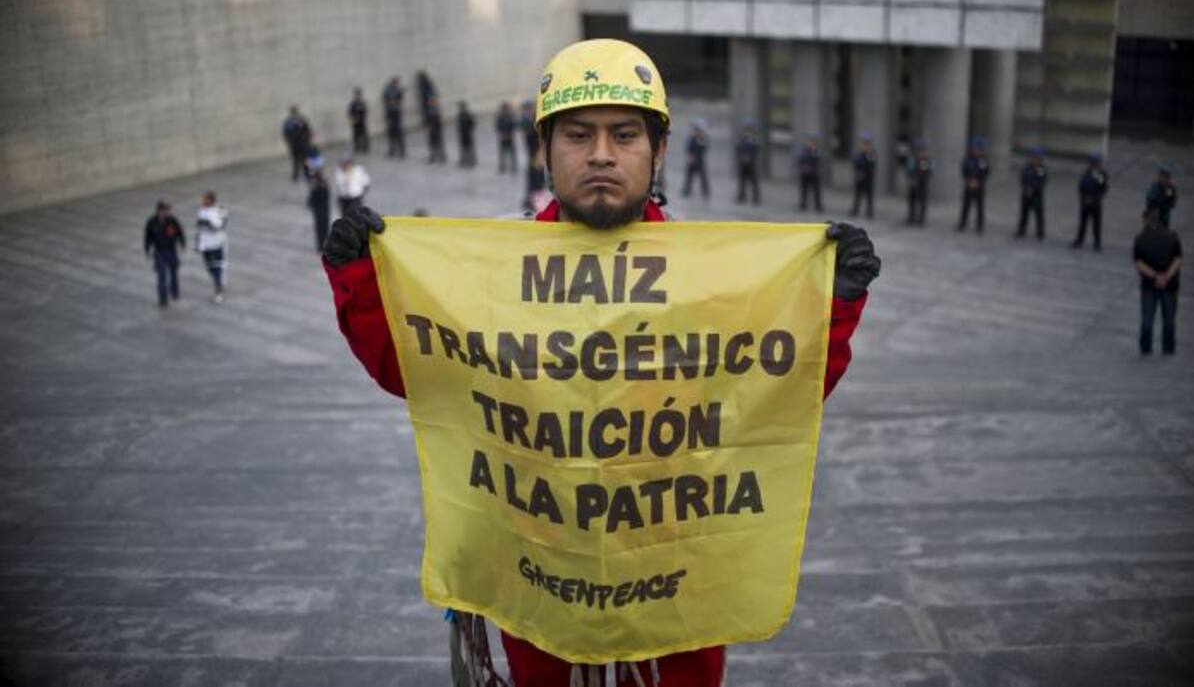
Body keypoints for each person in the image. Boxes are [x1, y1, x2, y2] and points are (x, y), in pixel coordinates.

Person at [319, 38, 881, 687]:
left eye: (625, 134)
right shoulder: (495, 277)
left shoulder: (714, 279)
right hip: (539, 574)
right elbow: (414, 367)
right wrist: (360, 279)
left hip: (677, 575)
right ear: (544, 148)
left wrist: (829, 306)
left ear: (659, 150)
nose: (602, 155)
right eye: (578, 135)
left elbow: (774, 389)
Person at [1133, 208, 1182, 355]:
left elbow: (1138, 262)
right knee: (1169, 319)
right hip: (1170, 285)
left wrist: (1155, 276)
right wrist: (1166, 276)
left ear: (1146, 220)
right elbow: (1178, 259)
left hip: (1149, 285)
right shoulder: (1173, 236)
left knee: (1147, 319)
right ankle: (1168, 348)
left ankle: (1146, 347)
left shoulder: (1140, 238)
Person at [144, 200, 185, 308]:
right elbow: (147, 237)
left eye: (168, 210)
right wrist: (147, 250)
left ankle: (174, 292)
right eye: (165, 210)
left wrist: (182, 243)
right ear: (159, 210)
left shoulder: (172, 220)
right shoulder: (151, 222)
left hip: (171, 250)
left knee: (173, 272)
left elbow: (180, 232)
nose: (167, 212)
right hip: (159, 252)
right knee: (161, 275)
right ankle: (163, 298)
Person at [195, 191, 228, 303]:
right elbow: (199, 228)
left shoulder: (220, 209)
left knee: (216, 266)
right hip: (206, 244)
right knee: (209, 267)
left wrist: (207, 223)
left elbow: (220, 225)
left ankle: (218, 289)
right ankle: (218, 281)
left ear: (211, 200)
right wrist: (198, 242)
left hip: (217, 243)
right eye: (203, 199)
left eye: (205, 199)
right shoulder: (201, 210)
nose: (203, 201)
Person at [1072, 152, 1108, 251]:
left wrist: (1095, 197)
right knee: (1083, 222)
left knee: (1096, 223)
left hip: (1096, 203)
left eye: (1096, 162)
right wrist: (1084, 197)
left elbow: (1103, 188)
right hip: (1085, 201)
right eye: (1093, 162)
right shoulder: (1086, 173)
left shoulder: (1102, 174)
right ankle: (1079, 240)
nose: (1094, 164)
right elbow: (1081, 187)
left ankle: (1097, 243)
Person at [957, 136, 989, 233]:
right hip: (969, 185)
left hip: (979, 186)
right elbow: (963, 170)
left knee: (980, 207)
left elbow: (985, 172)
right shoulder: (968, 159)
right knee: (966, 206)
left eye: (978, 149)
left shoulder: (983, 160)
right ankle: (962, 223)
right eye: (974, 149)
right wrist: (968, 180)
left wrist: (978, 181)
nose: (976, 151)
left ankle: (980, 226)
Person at [1014, 148, 1047, 241]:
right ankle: (1021, 230)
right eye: (1033, 158)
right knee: (1024, 213)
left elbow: (1042, 182)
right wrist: (1026, 188)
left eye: (1037, 158)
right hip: (1026, 194)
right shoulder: (1026, 168)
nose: (1035, 160)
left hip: (1037, 195)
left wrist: (1033, 189)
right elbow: (1022, 179)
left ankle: (1040, 232)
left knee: (1039, 214)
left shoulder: (1042, 169)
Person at [681, 119, 710, 199]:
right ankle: (686, 190)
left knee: (703, 177)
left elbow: (704, 148)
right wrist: (690, 156)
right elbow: (688, 147)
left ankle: (705, 191)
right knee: (689, 176)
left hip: (700, 160)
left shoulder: (703, 138)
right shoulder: (692, 138)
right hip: (692, 160)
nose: (698, 131)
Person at [906, 140, 932, 226]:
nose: (920, 152)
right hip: (913, 183)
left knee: (922, 201)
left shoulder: (926, 160)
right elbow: (909, 170)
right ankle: (911, 217)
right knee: (912, 200)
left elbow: (928, 172)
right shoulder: (912, 159)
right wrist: (911, 179)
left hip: (922, 184)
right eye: (918, 150)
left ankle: (921, 219)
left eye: (921, 150)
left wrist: (920, 178)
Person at [282, 106, 312, 182]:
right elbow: (285, 133)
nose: (294, 113)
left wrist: (307, 140)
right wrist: (288, 142)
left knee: (305, 160)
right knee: (295, 161)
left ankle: (307, 175)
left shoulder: (301, 120)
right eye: (293, 112)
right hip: (294, 144)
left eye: (295, 112)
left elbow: (307, 130)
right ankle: (295, 176)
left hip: (302, 143)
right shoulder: (288, 122)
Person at [850, 136, 877, 219]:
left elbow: (872, 165)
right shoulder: (859, 154)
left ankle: (869, 212)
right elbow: (855, 164)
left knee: (869, 196)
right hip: (860, 178)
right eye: (863, 144)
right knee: (858, 195)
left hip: (868, 178)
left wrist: (868, 155)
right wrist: (858, 173)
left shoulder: (872, 154)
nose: (864, 146)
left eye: (866, 144)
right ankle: (855, 210)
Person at [735, 122, 761, 205]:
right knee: (742, 180)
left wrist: (749, 157)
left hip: (751, 163)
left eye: (749, 128)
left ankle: (756, 197)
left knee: (754, 181)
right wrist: (742, 157)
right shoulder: (742, 138)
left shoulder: (754, 138)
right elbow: (738, 148)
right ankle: (741, 196)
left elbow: (756, 149)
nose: (747, 130)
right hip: (743, 162)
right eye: (746, 128)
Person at [1145, 164, 1178, 228]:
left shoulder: (1169, 188)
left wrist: (1166, 204)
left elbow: (1171, 201)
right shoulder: (1155, 187)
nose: (1164, 179)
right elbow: (1150, 200)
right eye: (1162, 176)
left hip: (1164, 215)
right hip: (1153, 215)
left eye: (1166, 177)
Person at [308, 168, 332, 253]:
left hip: (320, 210)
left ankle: (321, 246)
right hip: (322, 210)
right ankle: (322, 245)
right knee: (323, 228)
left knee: (321, 228)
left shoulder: (316, 186)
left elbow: (310, 201)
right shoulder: (320, 186)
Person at [383, 77, 406, 158]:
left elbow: (400, 99)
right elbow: (385, 99)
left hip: (395, 113)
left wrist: (396, 103)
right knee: (392, 133)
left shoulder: (397, 90)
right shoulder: (389, 90)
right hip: (391, 113)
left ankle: (401, 151)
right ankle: (394, 150)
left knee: (398, 133)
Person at [797, 137, 822, 212]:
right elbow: (801, 159)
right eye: (808, 143)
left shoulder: (816, 152)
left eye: (811, 144)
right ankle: (803, 204)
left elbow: (818, 159)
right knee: (804, 190)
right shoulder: (804, 151)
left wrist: (813, 153)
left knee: (816, 191)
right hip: (805, 174)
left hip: (814, 174)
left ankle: (818, 206)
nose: (809, 145)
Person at [496, 102, 518, 174]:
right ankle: (502, 166)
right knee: (503, 153)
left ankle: (513, 166)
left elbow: (514, 125)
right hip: (503, 138)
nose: (506, 110)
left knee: (512, 153)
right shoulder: (500, 117)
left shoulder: (510, 116)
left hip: (510, 137)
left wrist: (511, 133)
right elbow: (498, 127)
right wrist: (502, 134)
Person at [348, 88, 369, 154]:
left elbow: (365, 111)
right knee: (356, 135)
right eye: (357, 95)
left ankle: (365, 147)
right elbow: (350, 112)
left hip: (362, 121)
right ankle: (357, 147)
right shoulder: (353, 103)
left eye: (359, 95)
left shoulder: (362, 103)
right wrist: (353, 119)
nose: (358, 96)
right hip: (355, 121)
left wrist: (364, 118)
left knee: (364, 134)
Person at [427, 96, 446, 164]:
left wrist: (432, 127)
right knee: (433, 143)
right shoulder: (430, 109)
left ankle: (441, 156)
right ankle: (435, 156)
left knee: (438, 143)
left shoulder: (436, 110)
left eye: (431, 101)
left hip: (436, 129)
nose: (429, 103)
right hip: (433, 129)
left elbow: (439, 121)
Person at [457, 102, 477, 168]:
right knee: (464, 148)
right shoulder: (460, 115)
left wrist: (470, 130)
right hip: (463, 134)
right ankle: (464, 160)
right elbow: (459, 125)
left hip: (467, 133)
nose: (461, 108)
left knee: (469, 147)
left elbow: (472, 123)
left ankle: (471, 160)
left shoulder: (468, 115)